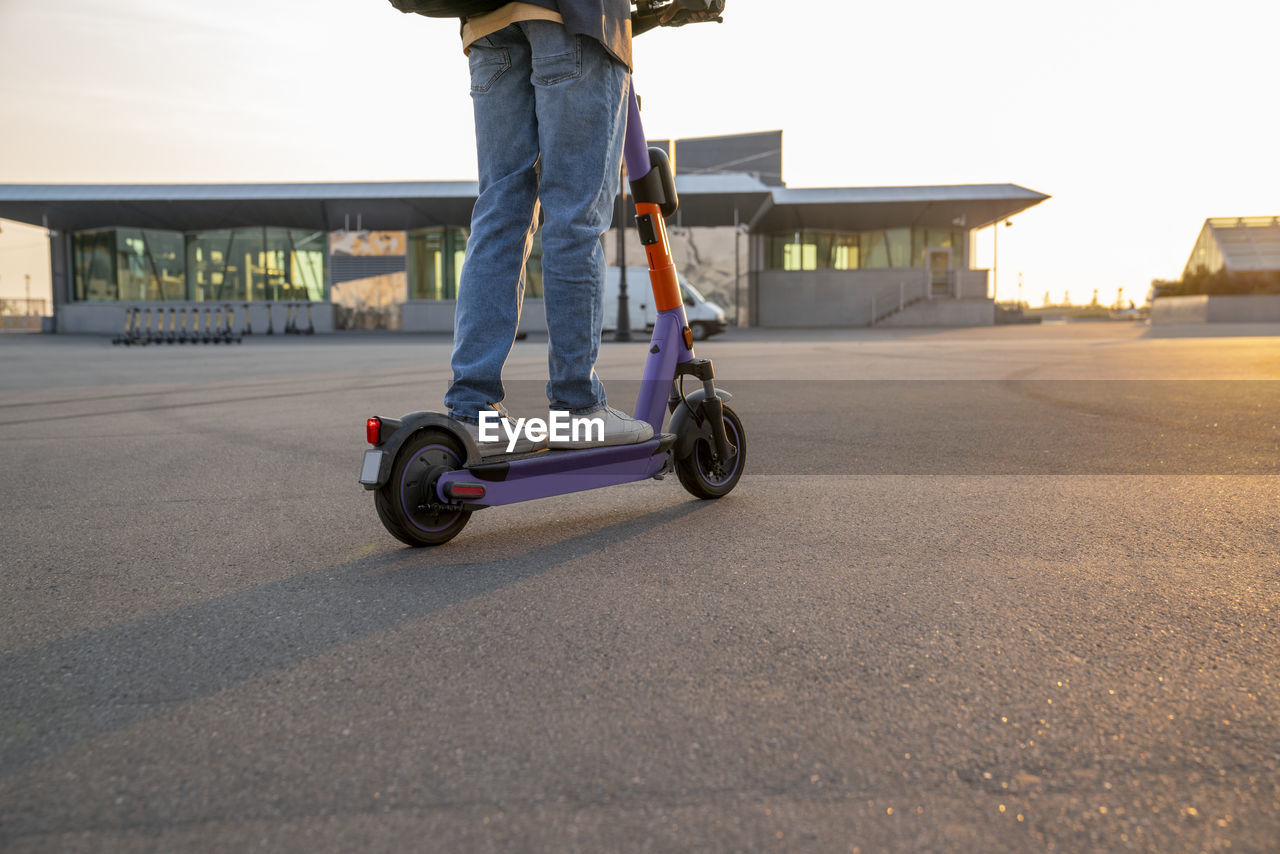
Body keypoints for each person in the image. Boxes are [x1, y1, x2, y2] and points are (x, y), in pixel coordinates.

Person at [445, 0, 654, 455]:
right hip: (575, 18)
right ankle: (577, 409)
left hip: (487, 27)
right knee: (574, 219)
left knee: (499, 217)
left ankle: (472, 410)